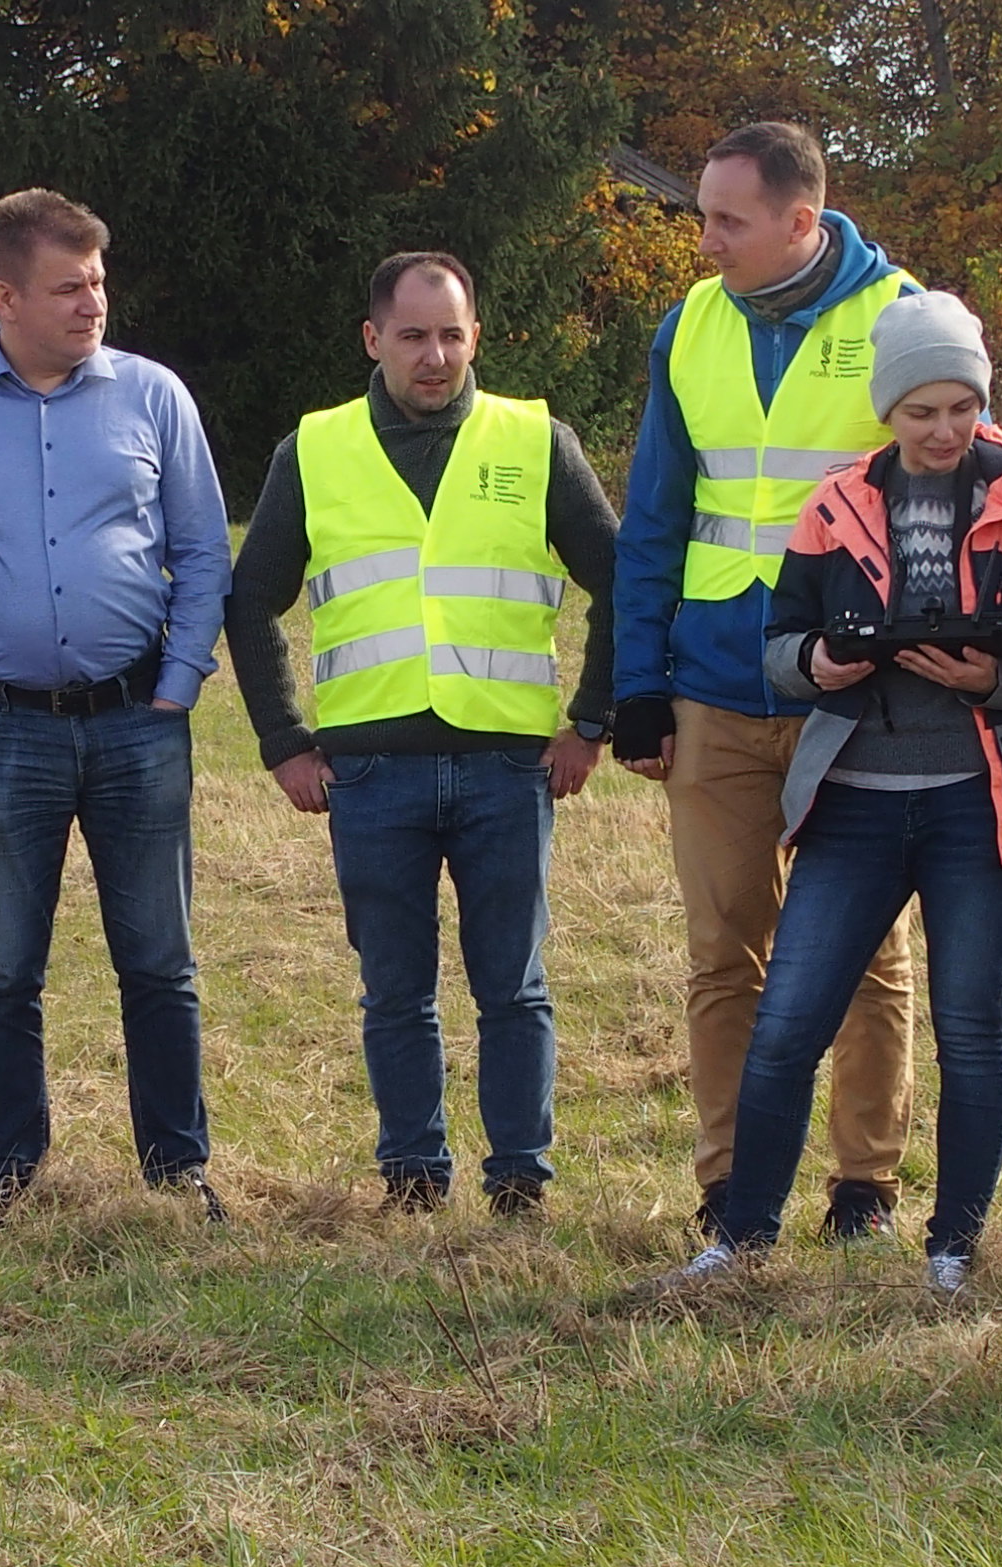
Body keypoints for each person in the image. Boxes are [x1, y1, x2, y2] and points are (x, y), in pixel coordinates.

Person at [651, 292, 1002, 1296]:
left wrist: (993, 680)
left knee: (969, 1028)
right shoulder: (835, 502)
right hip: (851, 799)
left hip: (977, 803)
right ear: (884, 410)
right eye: (918, 411)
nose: (941, 432)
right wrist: (819, 663)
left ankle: (951, 1252)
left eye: (959, 409)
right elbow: (780, 647)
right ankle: (741, 1241)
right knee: (788, 1022)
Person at [0, 189, 234, 1221]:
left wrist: (179, 677)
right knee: (0, 972)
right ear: (4, 295)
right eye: (68, 287)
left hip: (138, 727)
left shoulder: (154, 397)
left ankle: (176, 1173)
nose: (91, 304)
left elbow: (204, 550)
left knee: (159, 960)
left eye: (98, 283)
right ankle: (12, 1180)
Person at [227, 252, 618, 1215]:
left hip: (508, 767)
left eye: (451, 334)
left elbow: (625, 580)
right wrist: (284, 741)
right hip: (369, 776)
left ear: (475, 335)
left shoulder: (536, 441)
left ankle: (520, 1180)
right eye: (412, 336)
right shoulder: (313, 451)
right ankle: (413, 1182)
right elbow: (250, 601)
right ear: (374, 340)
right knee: (395, 993)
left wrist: (594, 722)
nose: (434, 356)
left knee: (513, 990)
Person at [610, 120, 922, 1244]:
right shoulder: (689, 324)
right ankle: (731, 1186)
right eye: (702, 215)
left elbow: (949, 505)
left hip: (853, 696)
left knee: (864, 951)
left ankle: (862, 1187)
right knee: (720, 951)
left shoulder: (902, 320)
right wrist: (634, 682)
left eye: (726, 221)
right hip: (711, 689)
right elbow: (652, 518)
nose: (704, 242)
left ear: (801, 222)